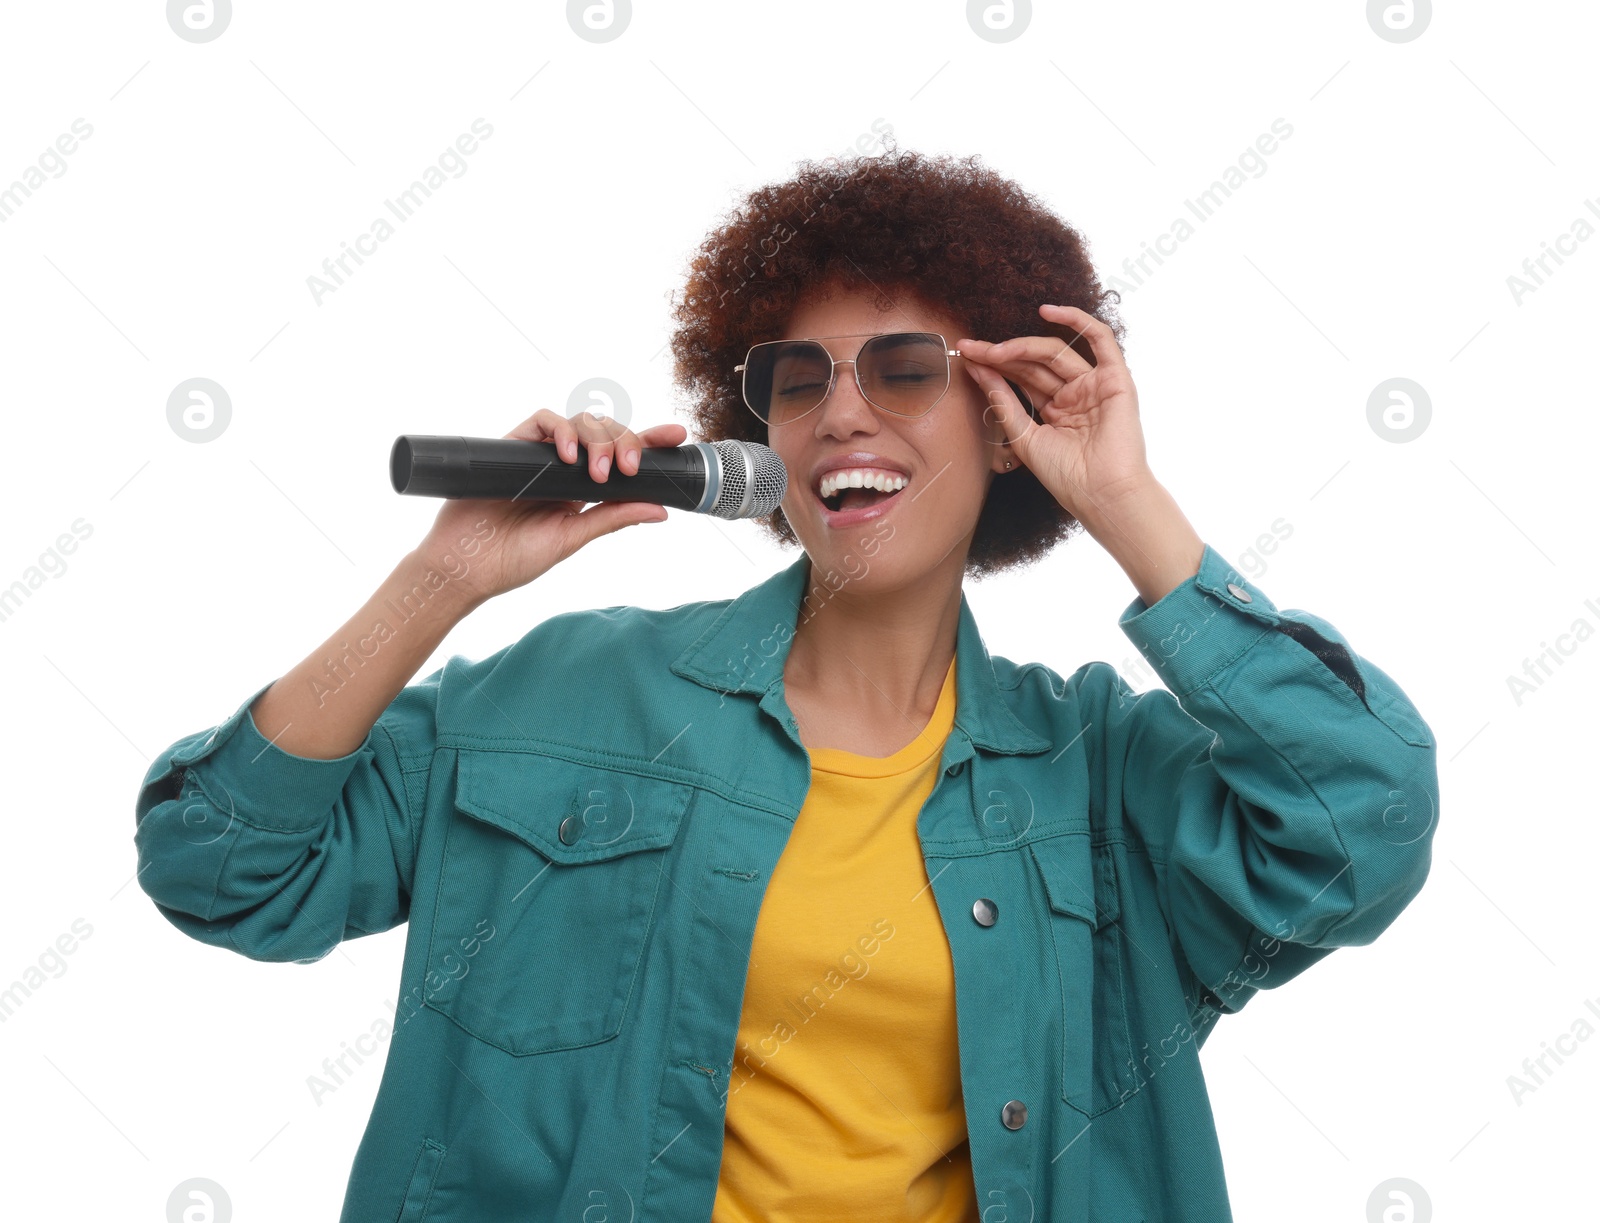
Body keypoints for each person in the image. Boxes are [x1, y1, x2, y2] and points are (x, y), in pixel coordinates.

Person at [134, 145, 1439, 1223]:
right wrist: (442, 581)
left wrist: (1124, 500)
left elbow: (1360, 822)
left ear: (1006, 420)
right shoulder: (570, 700)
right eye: (797, 378)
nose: (842, 413)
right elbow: (219, 868)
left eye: (909, 372)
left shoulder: (1096, 773)